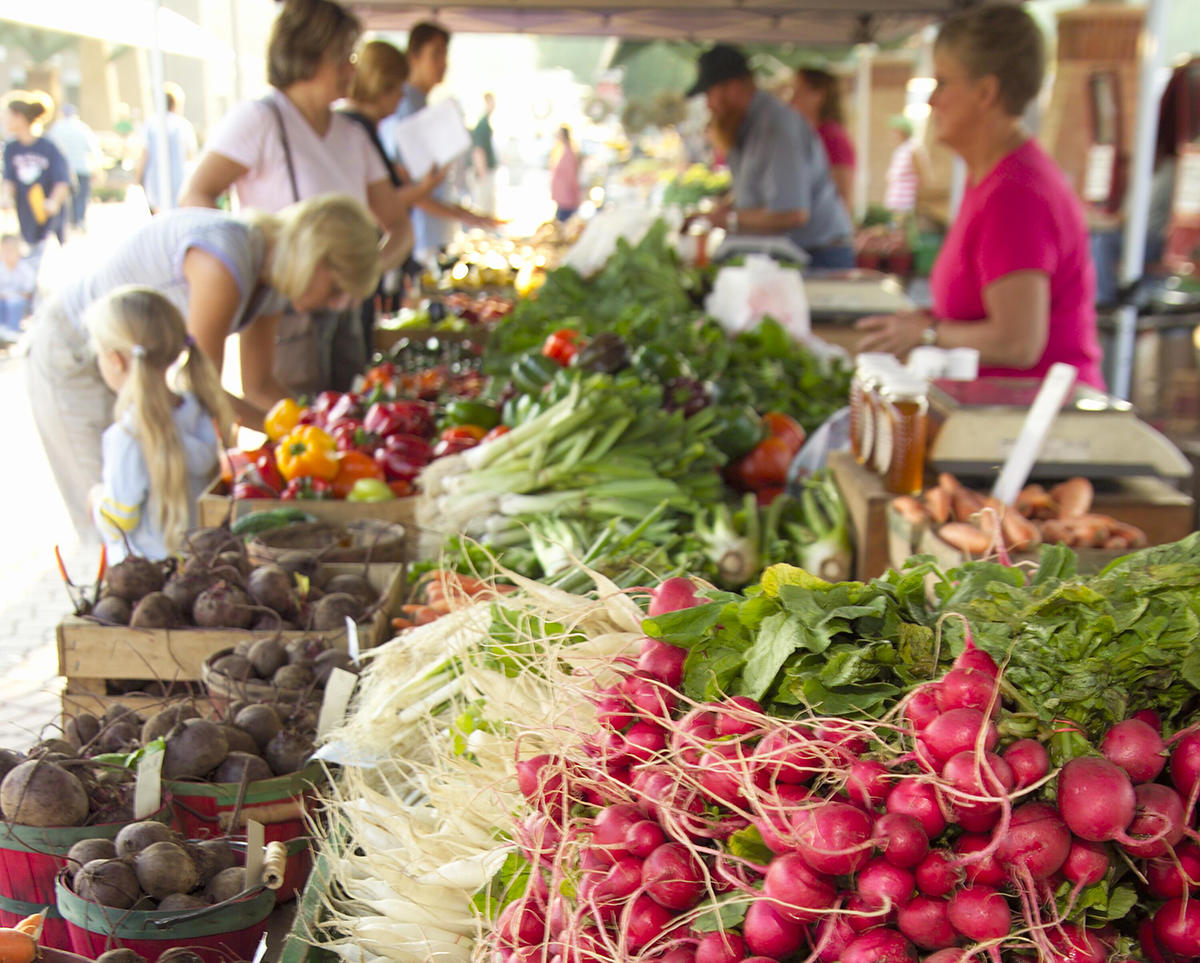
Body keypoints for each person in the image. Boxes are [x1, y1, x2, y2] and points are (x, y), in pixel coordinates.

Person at [26, 194, 381, 536]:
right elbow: (200, 386)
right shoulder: (225, 261)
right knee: (113, 516)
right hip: (79, 353)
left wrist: (313, 434)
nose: (335, 305)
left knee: (150, 514)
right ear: (314, 259)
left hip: (132, 367)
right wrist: (297, 438)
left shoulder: (270, 284)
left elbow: (258, 384)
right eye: (335, 288)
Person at [856, 6, 1104, 391]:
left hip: (1035, 428)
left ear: (986, 92)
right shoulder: (992, 178)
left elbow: (1017, 343)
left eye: (942, 83)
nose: (932, 101)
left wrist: (927, 331)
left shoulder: (1015, 194)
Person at [179, 0, 412, 392]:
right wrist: (236, 274)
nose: (351, 69)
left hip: (347, 312)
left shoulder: (351, 136)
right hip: (285, 310)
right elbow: (195, 195)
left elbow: (400, 226)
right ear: (309, 54)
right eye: (343, 57)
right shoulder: (260, 119)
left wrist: (366, 272)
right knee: (288, 416)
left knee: (346, 415)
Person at [86, 287, 227, 561]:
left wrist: (96, 499)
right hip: (203, 567)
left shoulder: (128, 436)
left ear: (115, 360)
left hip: (148, 580)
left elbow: (118, 524)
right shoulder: (199, 411)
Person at [685, 45, 855, 269]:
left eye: (710, 94)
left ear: (734, 88)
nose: (708, 105)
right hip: (796, 254)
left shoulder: (775, 129)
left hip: (818, 258)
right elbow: (758, 192)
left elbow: (792, 213)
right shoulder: (750, 126)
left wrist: (728, 219)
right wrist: (719, 210)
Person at [339, 39, 445, 344]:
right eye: (397, 88)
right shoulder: (354, 130)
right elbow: (377, 204)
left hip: (360, 269)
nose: (400, 98)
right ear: (381, 85)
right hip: (353, 270)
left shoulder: (360, 130)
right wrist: (424, 188)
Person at [377, 21, 498, 265]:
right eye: (436, 54)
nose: (443, 63)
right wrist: (466, 217)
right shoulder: (405, 107)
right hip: (419, 240)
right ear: (414, 56)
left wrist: (466, 215)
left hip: (432, 234)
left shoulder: (420, 105)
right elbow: (409, 188)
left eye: (444, 54)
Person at [2, 92, 71, 279]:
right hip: (25, 213)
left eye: (7, 115)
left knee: (47, 261)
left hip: (48, 216)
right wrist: (6, 196)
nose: (4, 120)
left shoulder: (48, 147)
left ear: (20, 117)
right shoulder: (11, 148)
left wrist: (53, 202)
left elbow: (62, 180)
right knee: (27, 259)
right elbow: (9, 178)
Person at [791, 67, 855, 210]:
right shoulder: (810, 134)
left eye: (799, 91)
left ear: (819, 95)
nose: (792, 98)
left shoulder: (831, 137)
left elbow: (843, 195)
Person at [137, 82, 199, 215]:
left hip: (155, 178)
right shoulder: (183, 125)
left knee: (158, 216)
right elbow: (191, 155)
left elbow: (144, 154)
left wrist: (137, 177)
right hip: (179, 177)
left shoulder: (151, 123)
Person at [47, 104, 101, 231]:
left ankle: (68, 222)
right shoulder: (82, 128)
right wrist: (97, 167)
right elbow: (93, 149)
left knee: (65, 196)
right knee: (82, 195)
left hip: (63, 168)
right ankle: (79, 220)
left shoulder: (56, 128)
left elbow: (51, 149)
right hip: (82, 166)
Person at [883, 116, 929, 220]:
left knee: (901, 233)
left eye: (895, 131)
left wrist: (918, 201)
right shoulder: (900, 150)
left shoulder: (913, 149)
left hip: (906, 204)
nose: (892, 134)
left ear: (903, 132)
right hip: (895, 202)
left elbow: (921, 176)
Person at [0, 234, 35, 340]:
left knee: (15, 303)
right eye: (5, 251)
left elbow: (29, 292)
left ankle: (12, 333)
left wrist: (14, 296)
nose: (8, 254)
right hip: (3, 299)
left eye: (11, 251)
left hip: (18, 301)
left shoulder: (25, 268)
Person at [471, 92, 498, 216]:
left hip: (488, 171)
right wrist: (483, 173)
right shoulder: (482, 124)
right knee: (485, 208)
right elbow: (478, 150)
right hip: (484, 173)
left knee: (489, 206)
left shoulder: (486, 123)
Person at [549, 125, 582, 222]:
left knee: (562, 221)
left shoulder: (568, 152)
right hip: (563, 195)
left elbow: (570, 176)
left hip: (567, 196)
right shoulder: (563, 150)